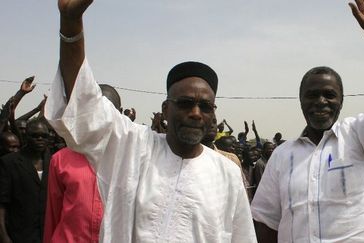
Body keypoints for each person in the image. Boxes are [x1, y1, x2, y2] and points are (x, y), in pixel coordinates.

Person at [45, 1, 256, 242]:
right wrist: (71, 22)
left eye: (206, 107)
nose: (196, 113)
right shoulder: (132, 147)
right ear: (166, 110)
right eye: (186, 103)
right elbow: (83, 104)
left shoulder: (227, 174)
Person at [251, 0, 364, 242]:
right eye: (312, 95)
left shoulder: (358, 135)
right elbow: (266, 222)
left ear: (341, 101)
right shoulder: (282, 155)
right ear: (301, 101)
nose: (321, 102)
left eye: (329, 95)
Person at [43, 84, 121, 243]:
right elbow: (53, 213)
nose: (102, 116)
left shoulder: (132, 160)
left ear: (119, 113)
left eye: (108, 110)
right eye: (96, 109)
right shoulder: (60, 160)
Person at [0, 118, 51, 243]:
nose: (40, 139)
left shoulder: (54, 162)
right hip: (19, 235)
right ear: (26, 136)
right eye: (35, 135)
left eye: (44, 136)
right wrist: (3, 236)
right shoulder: (9, 162)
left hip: (47, 235)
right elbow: (1, 203)